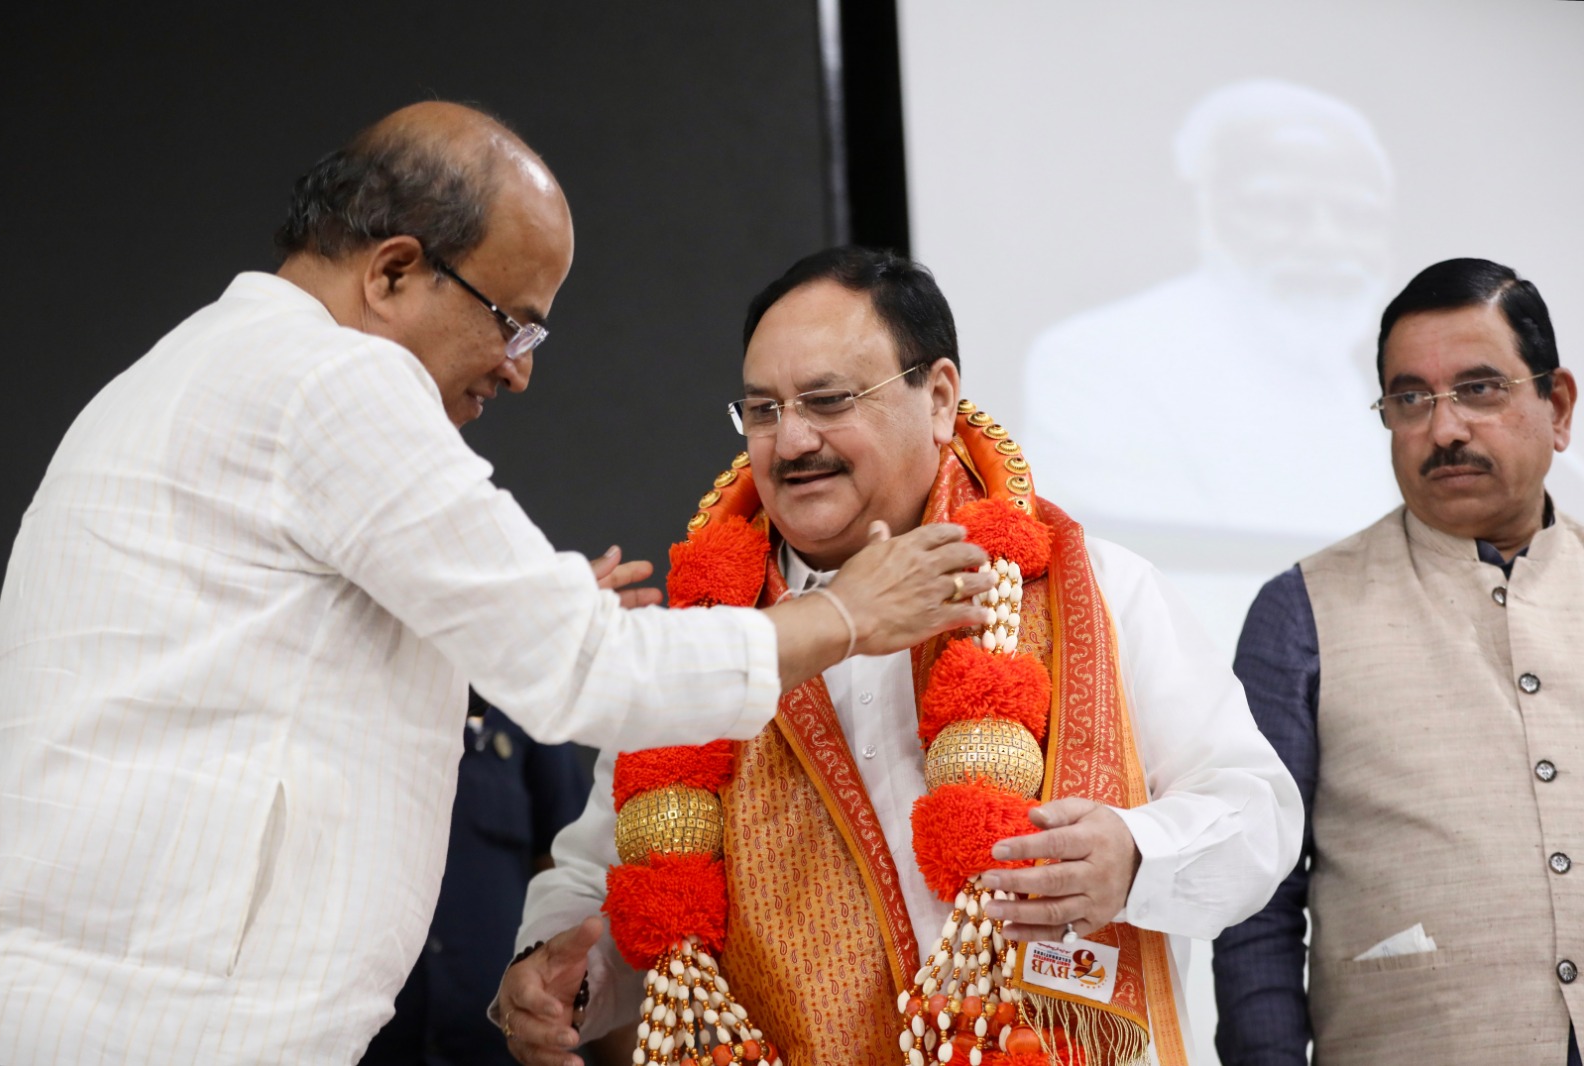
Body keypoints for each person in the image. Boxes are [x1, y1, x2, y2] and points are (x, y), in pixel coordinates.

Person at [0, 105, 998, 1065]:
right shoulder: (335, 380)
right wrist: (845, 614)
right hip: (167, 1020)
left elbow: (257, 666)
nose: (517, 372)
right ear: (392, 272)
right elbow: (583, 668)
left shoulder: (178, 373)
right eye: (513, 324)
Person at [497, 246, 1303, 1066]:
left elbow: (1259, 811)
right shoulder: (711, 643)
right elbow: (602, 884)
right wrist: (560, 974)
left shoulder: (1094, 589)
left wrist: (1135, 855)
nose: (792, 440)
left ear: (941, 397)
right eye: (764, 410)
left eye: (828, 400)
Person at [1213, 258, 1583, 1066]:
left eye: (1480, 389)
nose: (1444, 429)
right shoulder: (1301, 611)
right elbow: (1256, 899)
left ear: (1556, 406)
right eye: (1410, 398)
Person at [1019, 79, 1401, 648]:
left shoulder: (1383, 382)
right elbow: (1147, 600)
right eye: (1277, 207)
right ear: (1195, 209)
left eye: (1355, 215)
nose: (1324, 240)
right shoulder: (1101, 362)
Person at [359, 693, 591, 1066]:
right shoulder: (347, 697)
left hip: (502, 1049)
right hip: (356, 1047)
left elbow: (578, 882)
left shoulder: (523, 705)